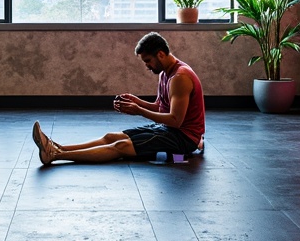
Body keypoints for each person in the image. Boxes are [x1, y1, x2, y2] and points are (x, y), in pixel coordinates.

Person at [31, 32, 204, 165]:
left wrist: (139, 111)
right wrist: (137, 102)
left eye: (148, 61)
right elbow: (161, 107)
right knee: (110, 137)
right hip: (169, 130)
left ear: (160, 54)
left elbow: (176, 120)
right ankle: (57, 147)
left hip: (183, 139)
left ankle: (55, 155)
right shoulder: (165, 73)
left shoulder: (180, 78)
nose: (147, 66)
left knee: (121, 147)